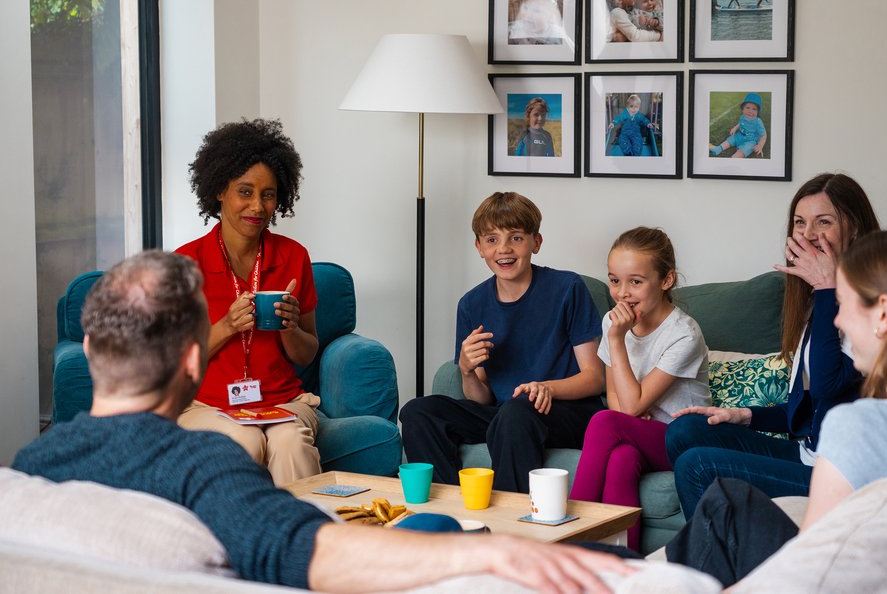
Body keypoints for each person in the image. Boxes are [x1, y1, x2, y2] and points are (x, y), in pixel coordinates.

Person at [12, 251, 631, 593]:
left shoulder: (34, 468)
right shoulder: (202, 468)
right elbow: (309, 552)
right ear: (193, 359)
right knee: (444, 530)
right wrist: (500, 560)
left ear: (91, 350)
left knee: (439, 519)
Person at [667, 225, 887, 586]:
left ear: (883, 315)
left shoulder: (861, 423)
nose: (837, 319)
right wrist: (748, 415)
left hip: (841, 573)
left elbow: (811, 566)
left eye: (845, 303)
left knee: (722, 504)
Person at [666, 173, 880, 520]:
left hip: (842, 475)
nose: (808, 234)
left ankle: (714, 564)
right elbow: (812, 409)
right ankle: (736, 536)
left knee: (697, 464)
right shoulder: (815, 301)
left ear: (853, 229)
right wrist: (746, 416)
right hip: (811, 456)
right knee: (684, 431)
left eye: (823, 222)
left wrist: (828, 288)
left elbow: (828, 384)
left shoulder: (871, 303)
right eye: (800, 223)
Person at [399, 192, 606, 493]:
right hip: (509, 414)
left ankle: (512, 528)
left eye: (516, 238)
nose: (504, 249)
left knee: (516, 410)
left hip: (566, 411)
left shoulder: (567, 288)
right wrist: (467, 370)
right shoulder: (471, 304)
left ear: (536, 242)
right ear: (479, 247)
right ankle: (450, 520)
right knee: (418, 411)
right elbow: (480, 399)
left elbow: (595, 377)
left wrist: (546, 387)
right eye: (492, 239)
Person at [174, 118, 320, 485]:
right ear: (219, 190)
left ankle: (304, 538)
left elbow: (307, 353)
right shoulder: (185, 263)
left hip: (283, 403)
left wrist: (289, 328)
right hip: (207, 405)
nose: (258, 206)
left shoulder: (294, 256)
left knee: (290, 444)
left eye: (268, 194)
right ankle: (240, 537)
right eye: (245, 191)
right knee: (245, 440)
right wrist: (226, 326)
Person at [569, 227, 711, 553]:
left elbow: (629, 407)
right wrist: (629, 420)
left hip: (684, 439)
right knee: (622, 457)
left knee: (604, 421)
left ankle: (570, 540)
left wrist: (618, 340)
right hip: (641, 436)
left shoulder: (683, 334)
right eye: (615, 280)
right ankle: (623, 563)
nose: (622, 293)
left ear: (666, 280)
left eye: (636, 281)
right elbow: (618, 396)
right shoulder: (612, 321)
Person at [709, 92, 767, 158]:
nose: (750, 111)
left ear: (758, 111)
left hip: (750, 141)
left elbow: (763, 135)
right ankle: (718, 149)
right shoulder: (743, 117)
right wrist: (735, 128)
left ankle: (734, 158)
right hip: (740, 135)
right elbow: (741, 123)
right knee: (730, 140)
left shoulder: (758, 122)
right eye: (747, 107)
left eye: (754, 109)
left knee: (745, 150)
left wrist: (760, 145)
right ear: (743, 109)